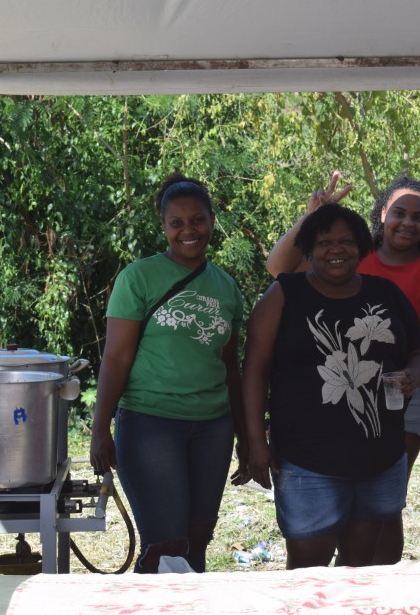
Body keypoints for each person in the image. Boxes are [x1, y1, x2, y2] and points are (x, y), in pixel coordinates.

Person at [265, 173, 420, 563]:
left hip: (400, 385)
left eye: (418, 216)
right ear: (382, 213)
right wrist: (311, 217)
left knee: (382, 502)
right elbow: (278, 267)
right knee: (334, 506)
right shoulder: (351, 250)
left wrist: (382, 342)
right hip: (335, 379)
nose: (408, 222)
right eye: (399, 212)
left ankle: (369, 575)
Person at [89, 173, 246, 573]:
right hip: (151, 424)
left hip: (213, 428)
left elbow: (230, 368)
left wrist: (246, 437)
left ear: (211, 220)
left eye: (197, 220)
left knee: (198, 538)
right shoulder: (138, 277)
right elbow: (116, 358)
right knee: (166, 545)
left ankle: (191, 601)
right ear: (163, 226)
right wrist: (100, 428)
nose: (188, 230)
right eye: (176, 222)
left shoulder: (226, 286)